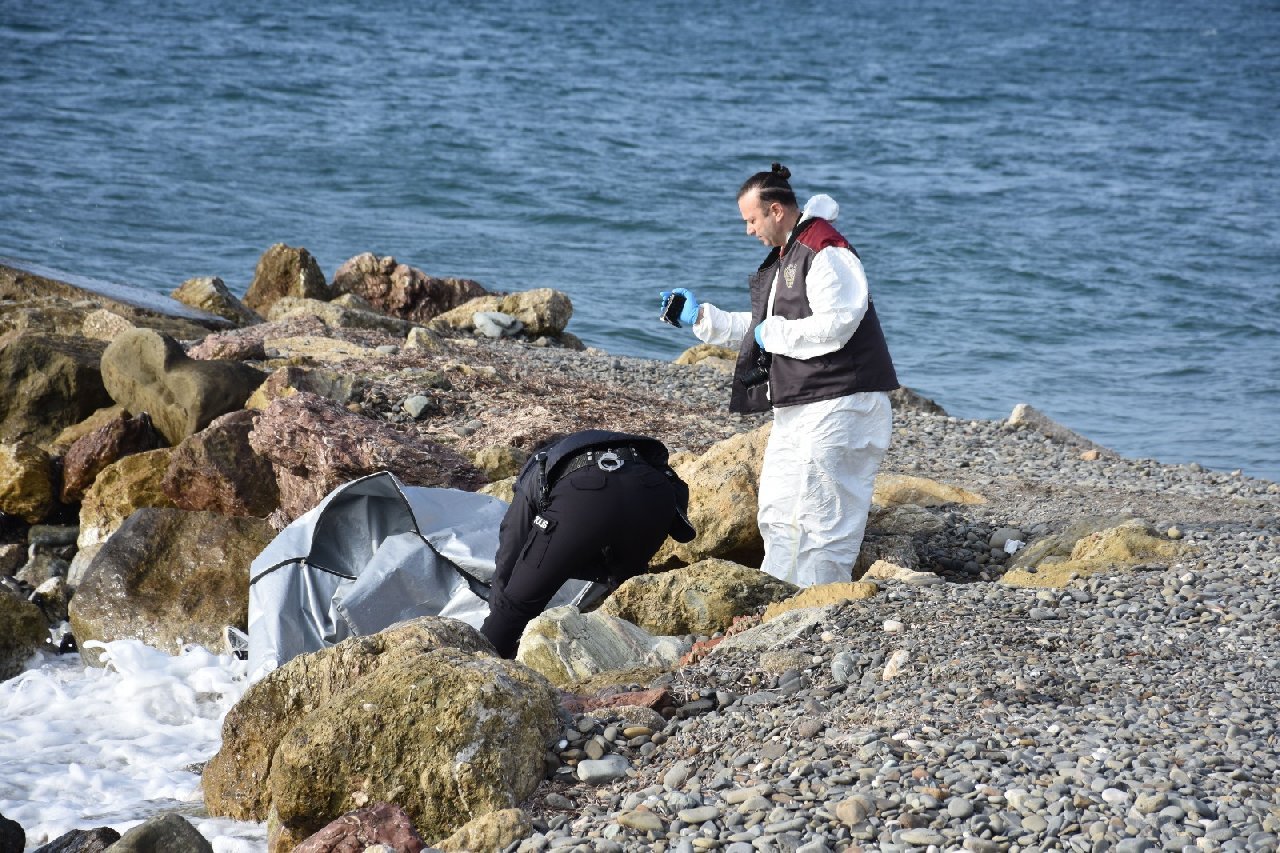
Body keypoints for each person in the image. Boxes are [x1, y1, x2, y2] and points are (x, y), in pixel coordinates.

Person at [660, 163, 898, 587]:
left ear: (775, 210)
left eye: (751, 220)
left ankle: (818, 604)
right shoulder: (792, 253)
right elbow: (763, 327)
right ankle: (776, 599)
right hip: (801, 404)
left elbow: (839, 322)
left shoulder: (827, 251)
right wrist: (701, 318)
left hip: (842, 403)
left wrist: (775, 332)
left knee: (822, 517)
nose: (748, 230)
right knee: (778, 507)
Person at [480, 429, 696, 658]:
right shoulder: (604, 446)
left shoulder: (539, 462)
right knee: (620, 581)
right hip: (654, 493)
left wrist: (501, 606)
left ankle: (482, 664)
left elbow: (512, 541)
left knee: (517, 603)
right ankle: (631, 652)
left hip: (588, 494)